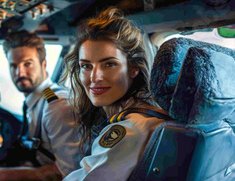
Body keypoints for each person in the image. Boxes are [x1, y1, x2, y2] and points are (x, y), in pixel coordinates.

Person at [61, 7, 170, 180]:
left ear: (133, 68)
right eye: (86, 66)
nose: (94, 78)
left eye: (109, 64)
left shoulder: (129, 130)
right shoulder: (146, 115)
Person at [0, 30, 82, 180]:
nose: (19, 72)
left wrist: (0, 174)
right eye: (13, 66)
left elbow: (69, 172)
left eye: (27, 64)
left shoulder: (56, 106)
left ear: (44, 64)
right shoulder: (37, 101)